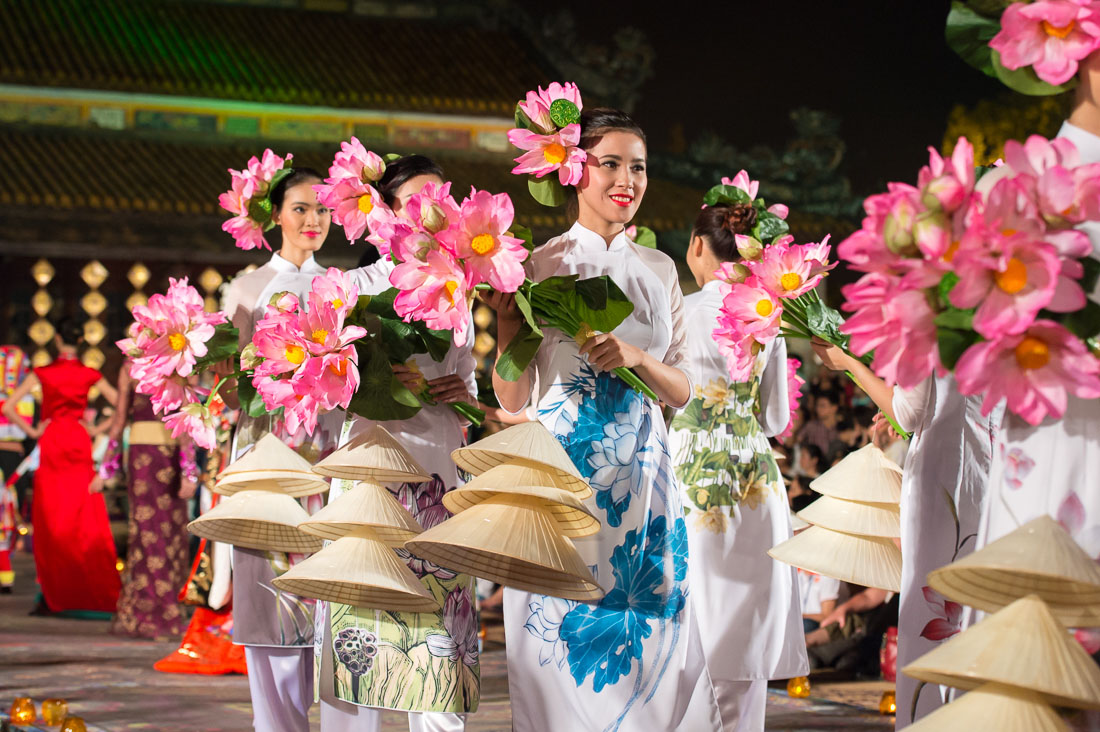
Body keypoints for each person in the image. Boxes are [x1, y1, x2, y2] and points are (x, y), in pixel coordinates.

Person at [485, 108, 722, 731]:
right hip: (562, 473)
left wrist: (636, 356)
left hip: (644, 478)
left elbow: (681, 389)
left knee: (647, 620)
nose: (626, 178)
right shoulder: (537, 266)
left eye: (637, 166)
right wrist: (508, 322)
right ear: (573, 171)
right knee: (557, 626)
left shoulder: (661, 269)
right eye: (609, 163)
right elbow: (511, 399)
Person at [317, 154, 480, 732]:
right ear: (384, 210)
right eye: (417, 198)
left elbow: (468, 386)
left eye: (443, 198)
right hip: (370, 466)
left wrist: (455, 389)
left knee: (436, 629)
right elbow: (320, 383)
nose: (433, 211)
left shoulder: (459, 287)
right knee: (360, 626)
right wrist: (377, 379)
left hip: (436, 462)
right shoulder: (350, 289)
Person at [667, 200, 808, 729]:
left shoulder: (678, 309)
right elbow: (775, 417)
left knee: (690, 624)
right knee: (745, 625)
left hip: (691, 473)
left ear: (698, 245)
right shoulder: (769, 315)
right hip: (753, 478)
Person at [811, 338, 997, 727]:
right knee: (975, 602)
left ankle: (926, 716)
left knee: (929, 599)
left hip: (942, 477)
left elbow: (909, 412)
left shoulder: (927, 309)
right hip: (989, 470)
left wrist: (848, 364)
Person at [223, 164, 341, 732]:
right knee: (266, 594)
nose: (313, 219)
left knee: (327, 587)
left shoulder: (343, 285)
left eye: (322, 208)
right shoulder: (245, 289)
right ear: (275, 216)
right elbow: (230, 387)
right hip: (265, 451)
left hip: (327, 452)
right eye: (300, 208)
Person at [1, 318, 120, 615]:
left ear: (57, 339)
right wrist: (95, 430)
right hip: (78, 440)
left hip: (52, 438)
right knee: (81, 515)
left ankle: (53, 591)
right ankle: (83, 588)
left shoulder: (43, 373)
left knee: (52, 518)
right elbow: (121, 405)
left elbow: (6, 407)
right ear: (80, 341)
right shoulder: (88, 373)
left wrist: (32, 432)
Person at [106, 361, 195, 640]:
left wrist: (189, 470)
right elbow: (120, 420)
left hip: (168, 458)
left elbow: (188, 418)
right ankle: (155, 612)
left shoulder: (180, 360)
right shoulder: (129, 365)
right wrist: (106, 467)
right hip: (143, 461)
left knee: (169, 535)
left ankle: (167, 609)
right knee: (147, 534)